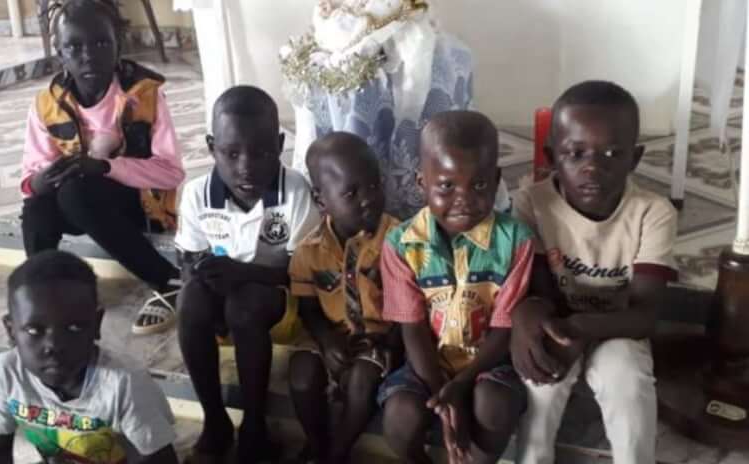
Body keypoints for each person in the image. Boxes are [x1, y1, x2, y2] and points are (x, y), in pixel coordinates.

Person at [510, 81, 677, 464]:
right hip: (556, 323)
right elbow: (536, 291)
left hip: (618, 328)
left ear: (635, 158)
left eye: (612, 153)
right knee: (541, 385)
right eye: (575, 153)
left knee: (628, 381)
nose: (592, 167)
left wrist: (580, 328)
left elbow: (644, 316)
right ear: (552, 156)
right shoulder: (532, 204)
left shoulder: (652, 213)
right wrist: (528, 319)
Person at [19, 0, 185, 335]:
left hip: (138, 205)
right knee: (37, 208)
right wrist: (41, 180)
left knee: (76, 192)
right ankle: (43, 293)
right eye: (74, 46)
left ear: (118, 45)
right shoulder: (46, 105)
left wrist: (105, 167)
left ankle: (169, 281)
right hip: (79, 206)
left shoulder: (145, 97)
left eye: (100, 43)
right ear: (60, 53)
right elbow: (30, 178)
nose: (88, 55)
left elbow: (171, 171)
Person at [174, 85, 320, 463]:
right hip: (223, 303)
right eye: (231, 153)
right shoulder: (197, 194)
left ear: (280, 145)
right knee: (189, 300)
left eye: (262, 152)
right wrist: (200, 275)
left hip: (277, 306)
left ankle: (254, 424)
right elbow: (188, 260)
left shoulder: (294, 192)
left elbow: (303, 275)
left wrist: (241, 273)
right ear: (211, 147)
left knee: (245, 304)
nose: (246, 167)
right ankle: (215, 419)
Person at [378, 111, 533, 464]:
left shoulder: (515, 241)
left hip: (488, 361)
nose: (463, 198)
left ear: (496, 181)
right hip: (426, 361)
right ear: (421, 182)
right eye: (447, 186)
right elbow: (413, 327)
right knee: (400, 415)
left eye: (478, 185)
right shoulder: (401, 244)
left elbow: (504, 328)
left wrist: (462, 385)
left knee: (495, 404)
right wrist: (443, 396)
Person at [0, 250, 179, 463]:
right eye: (34, 330)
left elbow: (162, 460)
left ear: (96, 324)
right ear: (11, 330)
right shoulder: (8, 371)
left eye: (73, 327)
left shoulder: (123, 384)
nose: (54, 346)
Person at [287, 132, 403, 464]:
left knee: (363, 381)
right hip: (331, 336)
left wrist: (390, 342)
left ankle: (338, 453)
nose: (368, 199)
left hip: (379, 339)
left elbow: (412, 306)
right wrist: (326, 340)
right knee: (301, 374)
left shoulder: (399, 241)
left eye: (373, 185)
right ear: (321, 200)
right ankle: (317, 443)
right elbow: (308, 307)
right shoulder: (308, 250)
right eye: (351, 193)